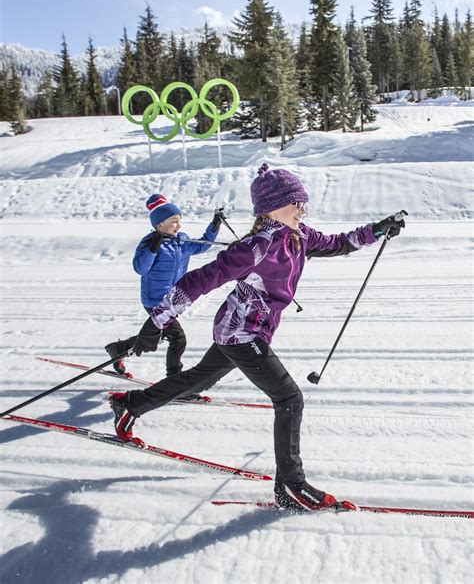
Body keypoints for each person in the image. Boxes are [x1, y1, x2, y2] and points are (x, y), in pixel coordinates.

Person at [108, 164, 406, 512]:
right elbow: (202, 279)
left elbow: (339, 243)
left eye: (301, 202)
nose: (301, 207)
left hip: (241, 329)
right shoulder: (258, 245)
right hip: (240, 334)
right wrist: (157, 321)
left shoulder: (299, 235)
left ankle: (130, 405)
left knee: (197, 380)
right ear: (273, 207)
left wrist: (378, 229)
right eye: (296, 201)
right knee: (290, 398)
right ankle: (291, 487)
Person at [104, 193, 224, 399]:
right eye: (173, 222)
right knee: (178, 339)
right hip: (154, 300)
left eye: (179, 221)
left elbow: (203, 245)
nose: (178, 226)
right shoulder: (149, 242)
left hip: (172, 299)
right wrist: (153, 247)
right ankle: (175, 385)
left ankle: (120, 349)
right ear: (159, 225)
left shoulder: (181, 241)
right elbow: (140, 268)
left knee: (161, 336)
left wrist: (215, 225)